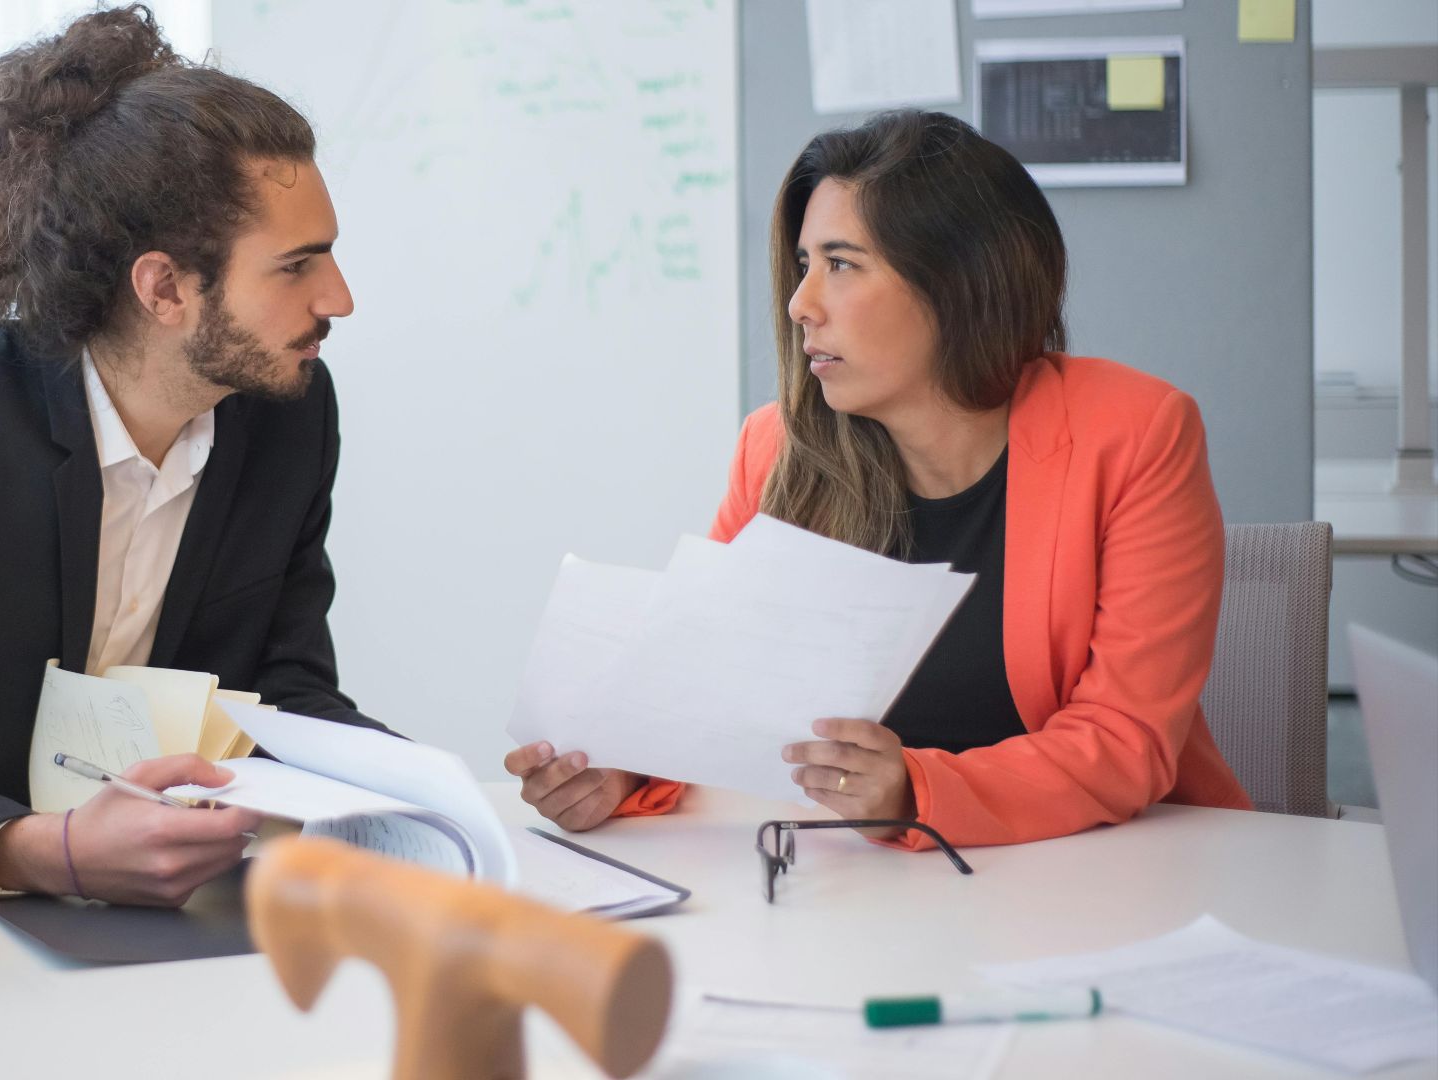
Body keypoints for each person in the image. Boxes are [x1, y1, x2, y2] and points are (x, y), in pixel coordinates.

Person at [0, 5, 391, 907]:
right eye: (297, 266)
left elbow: (287, 700)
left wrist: (442, 802)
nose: (340, 298)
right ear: (164, 286)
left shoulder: (287, 415)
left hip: (174, 923)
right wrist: (44, 851)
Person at [507, 109, 1252, 847]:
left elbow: (1125, 739)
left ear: (959, 281)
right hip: (861, 891)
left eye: (841, 264)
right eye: (804, 266)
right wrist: (619, 775)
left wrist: (915, 791)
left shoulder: (1136, 433)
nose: (801, 305)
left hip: (1110, 870)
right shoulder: (774, 447)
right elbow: (707, 694)